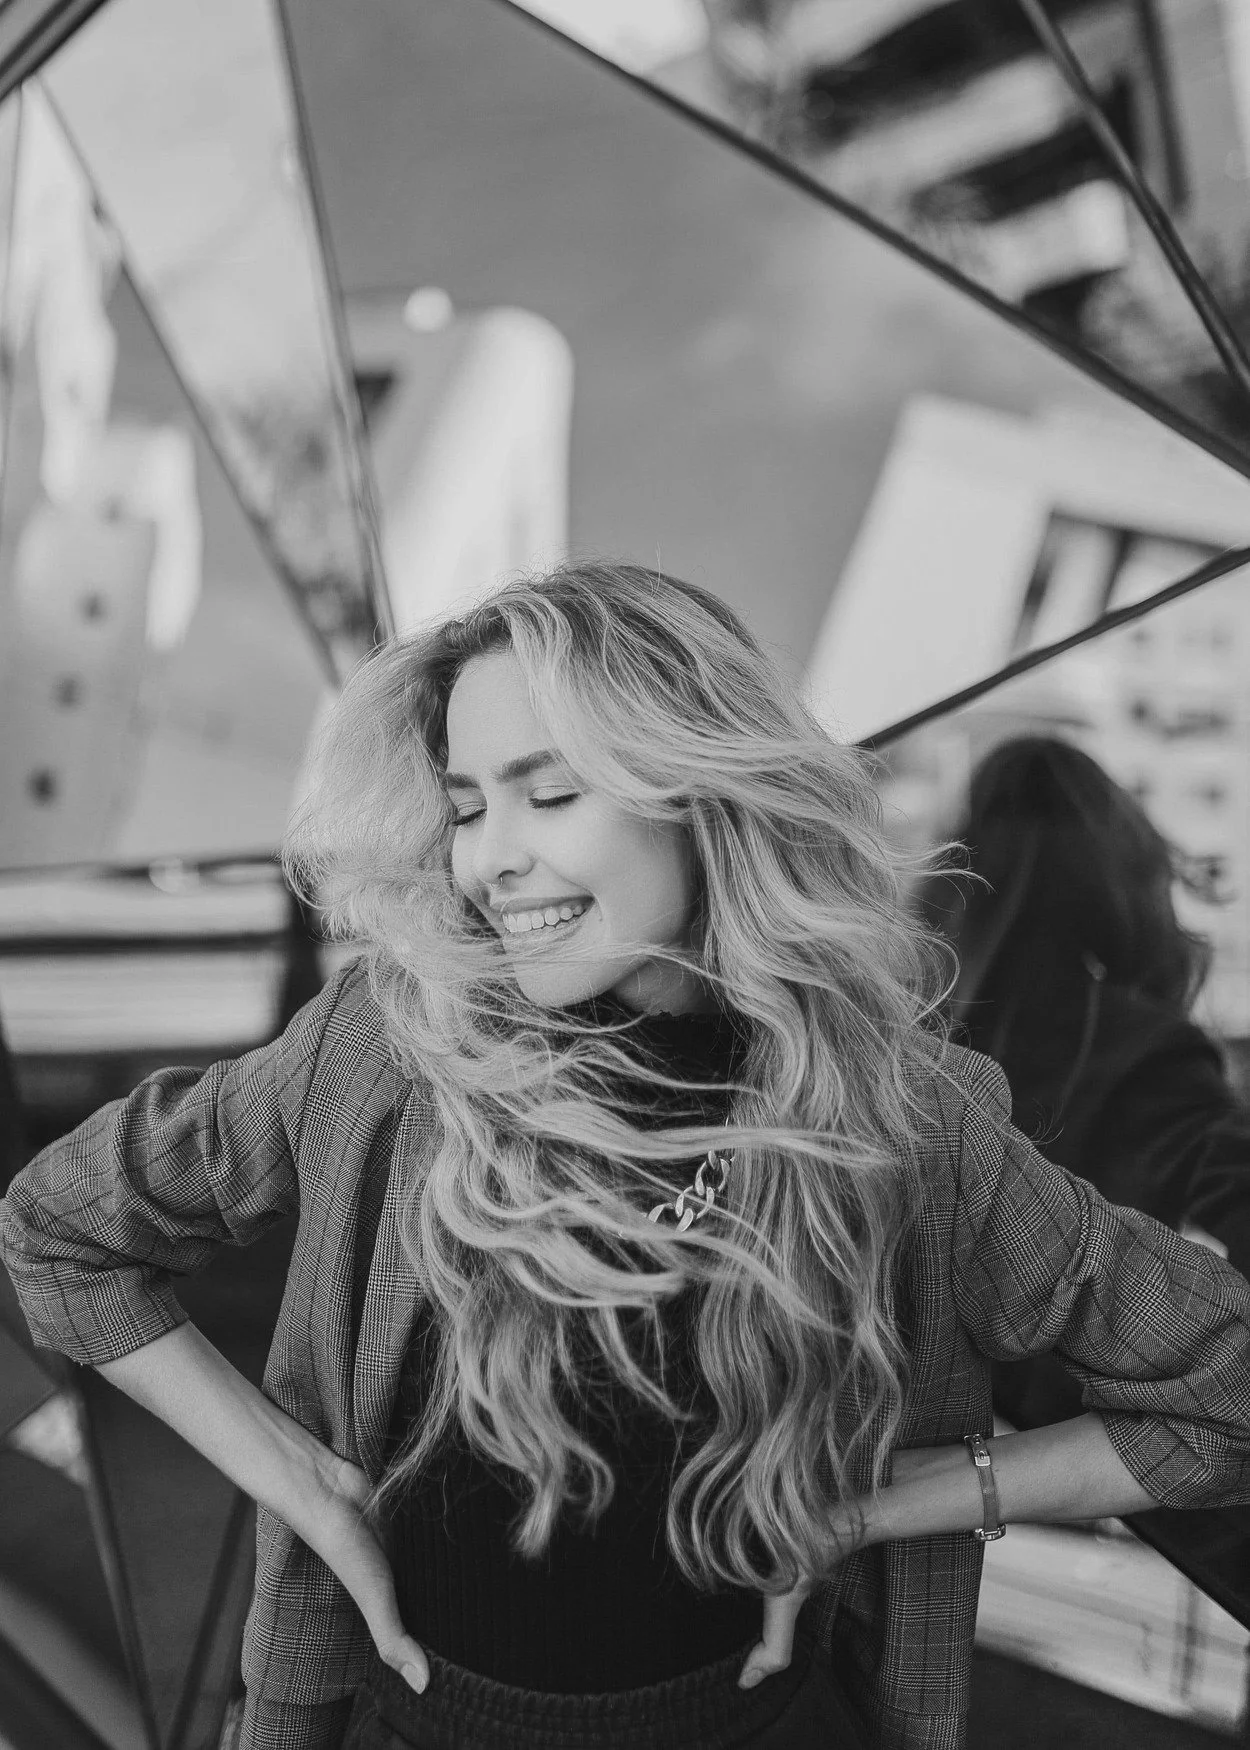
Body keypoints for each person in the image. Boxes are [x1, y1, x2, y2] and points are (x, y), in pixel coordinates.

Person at [3, 564, 1249, 1750]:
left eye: (550, 797)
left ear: (698, 795)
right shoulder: (388, 1051)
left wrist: (873, 1506)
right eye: (466, 805)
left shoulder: (901, 1121)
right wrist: (305, 1482)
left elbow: (1221, 1388)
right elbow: (61, 1234)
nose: (491, 859)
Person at [919, 733, 1250, 1434]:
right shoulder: (1142, 1049)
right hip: (1057, 1455)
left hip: (881, 1433)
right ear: (1120, 873)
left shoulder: (896, 1024)